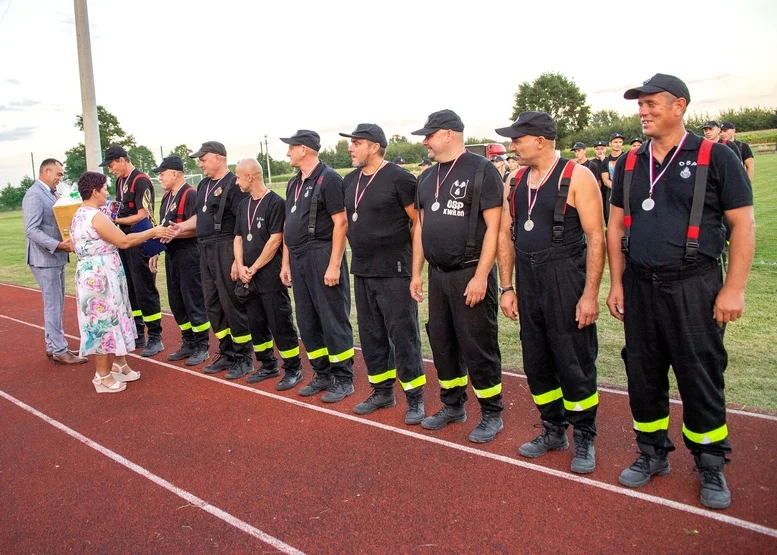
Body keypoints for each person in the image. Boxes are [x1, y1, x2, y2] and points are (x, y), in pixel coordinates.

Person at [607, 73, 754, 509]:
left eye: (652, 103)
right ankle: (652, 453)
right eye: (640, 105)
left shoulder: (716, 157)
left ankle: (710, 462)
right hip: (640, 286)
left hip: (694, 286)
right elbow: (617, 225)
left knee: (699, 375)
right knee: (642, 374)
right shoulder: (630, 162)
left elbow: (742, 224)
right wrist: (616, 283)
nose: (643, 111)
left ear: (680, 106)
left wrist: (734, 289)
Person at [496, 113, 605, 473]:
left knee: (574, 360)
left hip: (565, 278)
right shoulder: (514, 179)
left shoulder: (578, 176)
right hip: (528, 280)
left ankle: (585, 436)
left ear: (540, 140)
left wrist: (590, 295)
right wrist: (508, 286)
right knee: (537, 362)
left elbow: (597, 238)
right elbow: (505, 235)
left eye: (517, 139)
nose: (513, 146)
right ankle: (553, 429)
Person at [409, 109, 504, 443]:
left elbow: (495, 227)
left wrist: (481, 276)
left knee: (478, 344)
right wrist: (416, 272)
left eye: (430, 135)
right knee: (443, 343)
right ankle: (452, 405)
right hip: (438, 276)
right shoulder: (425, 177)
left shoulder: (482, 171)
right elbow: (420, 225)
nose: (425, 142)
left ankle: (491, 412)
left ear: (448, 134)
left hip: (469, 273)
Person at [339, 123, 426, 424]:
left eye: (356, 143)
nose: (350, 148)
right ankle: (382, 390)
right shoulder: (349, 180)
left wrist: (416, 269)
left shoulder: (400, 179)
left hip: (395, 271)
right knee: (371, 334)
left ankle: (414, 396)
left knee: (403, 335)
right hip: (362, 270)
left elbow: (419, 223)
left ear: (374, 146)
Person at [70, 171, 167, 392]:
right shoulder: (96, 216)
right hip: (100, 276)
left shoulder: (80, 214)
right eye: (104, 189)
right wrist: (153, 231)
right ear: (94, 191)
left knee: (116, 315)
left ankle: (119, 363)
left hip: (99, 272)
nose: (107, 193)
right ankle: (101, 377)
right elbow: (123, 241)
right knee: (103, 322)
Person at [279, 130, 355, 403]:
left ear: (305, 149)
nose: (287, 153)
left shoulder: (330, 179)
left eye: (291, 147)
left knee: (332, 318)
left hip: (321, 254)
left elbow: (341, 222)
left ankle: (344, 378)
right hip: (298, 257)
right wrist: (285, 262)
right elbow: (288, 225)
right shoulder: (293, 183)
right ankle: (322, 373)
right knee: (307, 320)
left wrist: (334, 264)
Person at [172, 141, 254, 378]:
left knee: (232, 305)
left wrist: (237, 260)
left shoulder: (233, 184)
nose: (200, 163)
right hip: (205, 249)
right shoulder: (205, 184)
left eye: (203, 159)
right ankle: (227, 353)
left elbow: (241, 224)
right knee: (213, 305)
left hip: (226, 247)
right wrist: (179, 228)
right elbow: (200, 218)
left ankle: (244, 357)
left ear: (218, 158)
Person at [233, 159, 303, 391]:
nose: (236, 181)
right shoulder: (243, 205)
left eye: (238, 177)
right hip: (248, 277)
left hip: (269, 276)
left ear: (250, 177)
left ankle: (293, 368)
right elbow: (239, 238)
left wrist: (254, 267)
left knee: (279, 321)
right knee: (256, 322)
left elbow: (275, 240)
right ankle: (267, 364)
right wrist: (241, 265)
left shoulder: (275, 203)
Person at [100, 146, 164, 357]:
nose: (111, 170)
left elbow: (142, 214)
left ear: (121, 160)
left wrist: (113, 220)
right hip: (124, 239)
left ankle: (155, 336)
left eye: (111, 165)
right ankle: (138, 332)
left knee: (145, 287)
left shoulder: (141, 180)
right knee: (130, 288)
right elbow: (121, 207)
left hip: (141, 238)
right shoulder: (120, 181)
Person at [22, 158, 86, 364]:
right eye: (58, 174)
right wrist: (58, 245)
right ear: (46, 171)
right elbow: (31, 230)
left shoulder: (50, 194)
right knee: (53, 304)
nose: (60, 178)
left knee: (56, 303)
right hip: (44, 258)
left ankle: (53, 346)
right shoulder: (34, 194)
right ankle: (59, 350)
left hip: (55, 257)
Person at [152, 156, 210, 366]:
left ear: (175, 173)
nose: (159, 177)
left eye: (162, 173)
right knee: (176, 300)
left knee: (193, 299)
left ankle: (202, 345)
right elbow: (163, 228)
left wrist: (175, 234)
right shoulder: (167, 198)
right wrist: (155, 251)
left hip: (189, 253)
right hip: (171, 254)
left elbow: (198, 227)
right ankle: (188, 341)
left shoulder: (191, 194)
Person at [600, 133, 625, 225]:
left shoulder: (627, 157)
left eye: (620, 142)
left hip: (627, 191)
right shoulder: (606, 161)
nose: (618, 144)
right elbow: (606, 180)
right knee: (612, 220)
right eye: (615, 142)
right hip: (612, 193)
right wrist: (617, 188)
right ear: (610, 144)